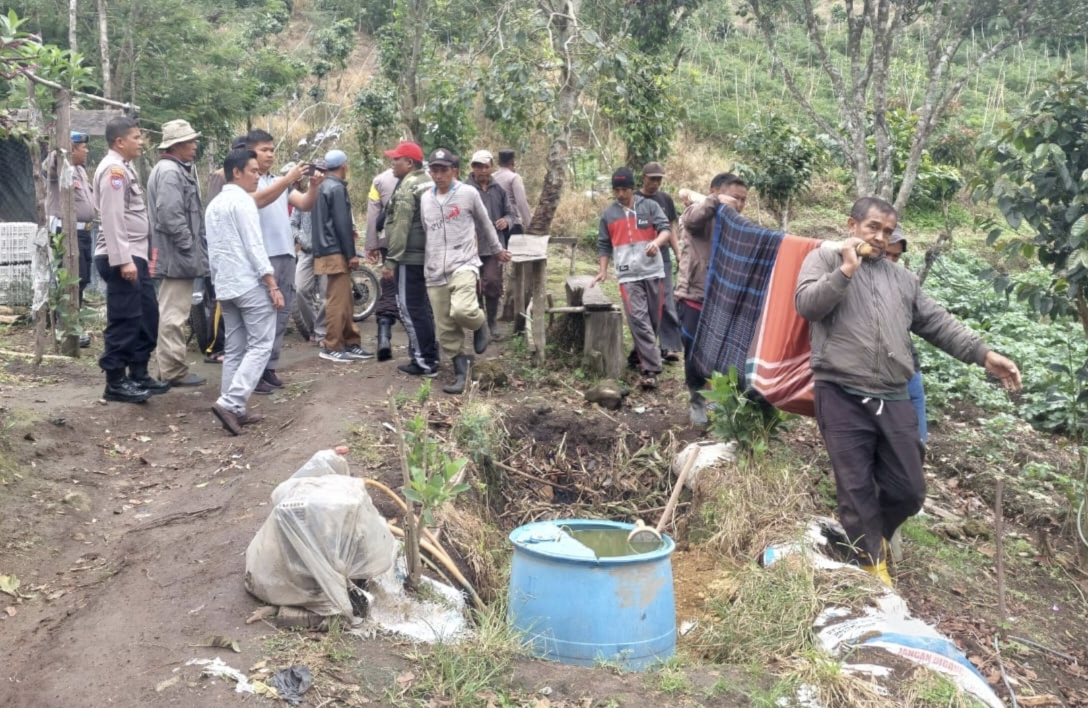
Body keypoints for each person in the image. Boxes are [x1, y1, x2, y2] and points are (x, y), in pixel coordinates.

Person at [795, 196, 1021, 586]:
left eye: (888, 231)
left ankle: (869, 533)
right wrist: (846, 271)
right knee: (855, 484)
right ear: (852, 226)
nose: (881, 238)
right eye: (873, 228)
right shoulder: (825, 259)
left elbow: (937, 323)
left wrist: (984, 355)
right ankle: (869, 566)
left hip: (893, 393)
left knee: (910, 489)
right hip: (841, 390)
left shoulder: (902, 279)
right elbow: (807, 305)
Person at [205, 148, 284, 435]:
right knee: (261, 344)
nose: (258, 176)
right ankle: (231, 401)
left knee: (236, 348)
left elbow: (213, 251)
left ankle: (232, 408)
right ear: (236, 172)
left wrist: (218, 285)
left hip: (226, 286)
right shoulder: (243, 203)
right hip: (249, 283)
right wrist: (271, 283)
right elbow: (254, 245)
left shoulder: (214, 205)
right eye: (253, 171)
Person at [420, 148, 511, 394]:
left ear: (455, 171)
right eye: (434, 170)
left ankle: (480, 324)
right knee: (446, 327)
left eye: (443, 170)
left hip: (464, 263)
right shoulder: (425, 198)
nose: (438, 175)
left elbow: (485, 224)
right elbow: (427, 232)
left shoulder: (468, 194)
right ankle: (462, 372)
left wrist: (497, 250)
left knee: (463, 309)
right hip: (435, 271)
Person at [93, 116, 165, 403]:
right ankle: (115, 381)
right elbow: (112, 219)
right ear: (119, 141)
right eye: (136, 137)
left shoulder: (124, 168)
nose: (141, 142)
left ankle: (138, 372)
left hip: (135, 254)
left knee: (146, 315)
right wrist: (123, 261)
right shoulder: (113, 171)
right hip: (121, 256)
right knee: (125, 318)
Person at [247, 129, 321, 393]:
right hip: (262, 257)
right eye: (264, 149)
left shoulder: (279, 181)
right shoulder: (249, 181)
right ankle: (253, 373)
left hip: (286, 254)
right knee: (260, 315)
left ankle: (269, 368)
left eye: (272, 149)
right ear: (250, 151)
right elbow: (259, 201)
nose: (270, 154)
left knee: (281, 314)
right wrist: (288, 179)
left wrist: (312, 187)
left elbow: (304, 204)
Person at [676, 174, 749, 424]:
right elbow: (693, 220)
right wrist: (715, 202)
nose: (738, 204)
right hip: (694, 296)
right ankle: (697, 400)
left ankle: (718, 400)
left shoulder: (738, 226)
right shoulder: (696, 214)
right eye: (734, 198)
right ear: (715, 192)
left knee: (721, 353)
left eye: (743, 200)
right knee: (694, 353)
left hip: (724, 300)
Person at [592, 166, 672, 390]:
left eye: (624, 189)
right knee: (638, 318)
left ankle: (639, 354)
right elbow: (603, 244)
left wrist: (656, 243)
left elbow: (665, 229)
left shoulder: (650, 206)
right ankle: (651, 369)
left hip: (653, 271)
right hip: (628, 275)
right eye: (616, 190)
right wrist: (603, 270)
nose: (620, 194)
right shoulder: (609, 215)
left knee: (653, 321)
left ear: (632, 188)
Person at [147, 119, 208, 388]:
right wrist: (188, 246)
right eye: (190, 142)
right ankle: (173, 371)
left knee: (172, 311)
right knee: (174, 314)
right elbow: (170, 215)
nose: (194, 146)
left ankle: (168, 368)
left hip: (175, 254)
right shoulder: (171, 172)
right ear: (177, 145)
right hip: (176, 256)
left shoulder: (173, 170)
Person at [381, 141, 439, 378]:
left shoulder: (408, 187)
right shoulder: (428, 181)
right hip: (427, 253)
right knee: (423, 308)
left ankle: (424, 361)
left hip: (410, 257)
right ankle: (429, 355)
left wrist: (391, 261)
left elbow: (401, 226)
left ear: (409, 163)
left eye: (397, 159)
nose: (392, 163)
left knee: (409, 308)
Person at [312, 149, 370, 363]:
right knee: (337, 301)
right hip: (334, 251)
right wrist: (351, 254)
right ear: (344, 165)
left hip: (326, 249)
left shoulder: (322, 187)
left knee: (345, 300)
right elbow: (342, 224)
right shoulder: (335, 188)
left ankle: (351, 342)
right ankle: (332, 346)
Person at [45, 131, 95, 347]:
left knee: (81, 279)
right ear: (72, 148)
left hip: (83, 232)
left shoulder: (80, 171)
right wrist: (60, 145)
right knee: (68, 279)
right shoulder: (59, 167)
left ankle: (72, 324)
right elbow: (51, 164)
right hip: (65, 233)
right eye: (83, 147)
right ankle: (65, 328)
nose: (87, 150)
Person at [464, 149, 515, 339]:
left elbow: (511, 214)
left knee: (492, 282)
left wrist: (506, 221)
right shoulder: (465, 189)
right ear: (473, 168)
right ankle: (480, 323)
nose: (482, 170)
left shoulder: (498, 190)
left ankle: (492, 321)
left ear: (491, 167)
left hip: (494, 247)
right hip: (471, 246)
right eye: (478, 166)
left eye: (485, 166)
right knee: (474, 285)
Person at [637, 161, 684, 362]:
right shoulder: (634, 199)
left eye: (659, 179)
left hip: (662, 257)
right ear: (643, 178)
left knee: (667, 300)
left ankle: (670, 346)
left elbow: (671, 228)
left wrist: (678, 252)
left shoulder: (665, 199)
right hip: (639, 257)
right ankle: (646, 347)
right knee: (644, 303)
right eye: (652, 178)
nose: (655, 183)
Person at [885, 226, 927, 444]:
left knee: (916, 441)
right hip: (874, 378)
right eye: (886, 254)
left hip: (908, 369)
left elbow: (933, 321)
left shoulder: (904, 282)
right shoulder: (854, 281)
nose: (891, 261)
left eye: (896, 256)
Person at [364, 164, 401, 361]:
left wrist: (372, 245)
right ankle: (419, 347)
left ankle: (384, 338)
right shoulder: (429, 179)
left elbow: (373, 215)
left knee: (389, 285)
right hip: (418, 247)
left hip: (390, 243)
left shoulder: (380, 180)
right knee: (417, 294)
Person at [290, 166, 326, 345]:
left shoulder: (331, 194)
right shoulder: (303, 197)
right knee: (301, 290)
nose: (317, 176)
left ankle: (321, 333)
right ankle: (313, 328)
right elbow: (293, 224)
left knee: (327, 294)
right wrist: (302, 240)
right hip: (306, 253)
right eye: (314, 173)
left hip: (327, 253)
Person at [492, 148, 532, 235]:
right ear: (513, 162)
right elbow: (521, 203)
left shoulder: (491, 178)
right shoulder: (514, 178)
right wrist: (530, 225)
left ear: (498, 163)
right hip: (512, 225)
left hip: (494, 226)